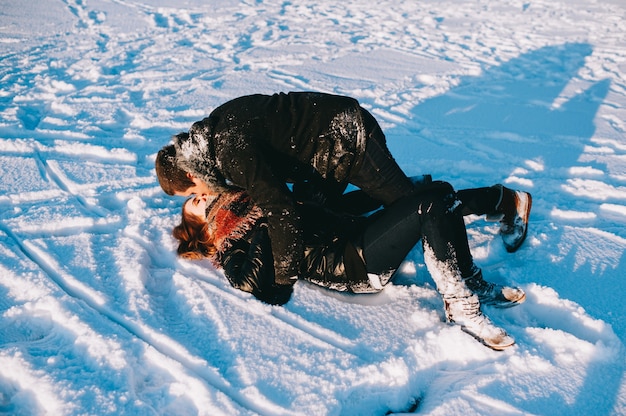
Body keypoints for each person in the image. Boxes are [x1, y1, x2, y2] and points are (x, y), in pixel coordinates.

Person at [156, 91, 532, 290]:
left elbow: (279, 207)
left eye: (190, 193)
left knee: (414, 209)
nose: (201, 195)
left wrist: (285, 275)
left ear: (191, 176)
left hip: (346, 138)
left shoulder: (228, 152)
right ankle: (411, 194)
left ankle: (503, 200)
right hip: (321, 148)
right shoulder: (216, 134)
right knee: (334, 209)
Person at [172, 181, 527, 350]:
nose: (200, 197)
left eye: (196, 194)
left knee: (436, 193)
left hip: (359, 237)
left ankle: (473, 274)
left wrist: (387, 193)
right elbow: (249, 281)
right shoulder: (233, 243)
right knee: (431, 206)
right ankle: (463, 305)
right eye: (195, 205)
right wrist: (269, 220)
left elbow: (332, 210)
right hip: (349, 267)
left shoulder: (253, 201)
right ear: (202, 229)